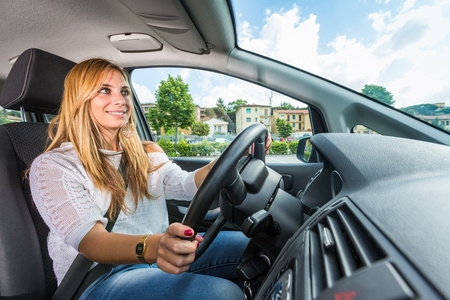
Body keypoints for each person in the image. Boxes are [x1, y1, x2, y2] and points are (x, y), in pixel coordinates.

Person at [29, 58, 272, 300]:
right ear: (80, 99)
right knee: (223, 294)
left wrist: (232, 158)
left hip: (156, 258)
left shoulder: (146, 152)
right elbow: (92, 242)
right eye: (105, 90)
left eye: (124, 91)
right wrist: (154, 247)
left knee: (259, 245)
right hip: (100, 277)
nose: (121, 100)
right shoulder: (54, 166)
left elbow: (186, 185)